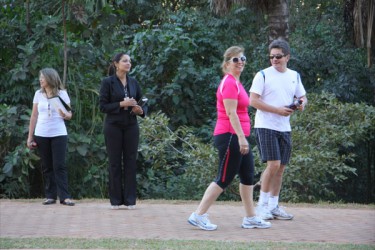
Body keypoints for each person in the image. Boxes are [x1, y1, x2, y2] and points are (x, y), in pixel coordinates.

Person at [187, 46, 271, 231]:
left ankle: (250, 217)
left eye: (242, 58)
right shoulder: (229, 83)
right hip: (230, 136)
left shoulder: (237, 82)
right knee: (224, 178)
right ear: (227, 64)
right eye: (235, 59)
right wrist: (241, 138)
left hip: (240, 136)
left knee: (248, 176)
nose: (240, 61)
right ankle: (198, 215)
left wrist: (244, 137)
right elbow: (231, 113)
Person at [249, 39, 307, 220]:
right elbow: (253, 101)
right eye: (272, 56)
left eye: (278, 56)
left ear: (287, 57)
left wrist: (300, 104)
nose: (274, 59)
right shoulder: (262, 75)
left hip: (284, 127)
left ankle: (273, 206)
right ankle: (261, 206)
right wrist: (278, 110)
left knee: (280, 168)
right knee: (272, 165)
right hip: (265, 126)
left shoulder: (294, 75)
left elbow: (303, 97)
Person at [99, 52, 147, 210]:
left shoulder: (134, 82)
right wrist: (121, 104)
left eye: (130, 61)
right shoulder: (108, 82)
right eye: (125, 61)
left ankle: (130, 200)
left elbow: (142, 102)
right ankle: (115, 200)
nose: (128, 63)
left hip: (131, 125)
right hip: (113, 126)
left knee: (131, 161)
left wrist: (140, 110)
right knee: (114, 162)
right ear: (116, 64)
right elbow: (103, 106)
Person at [27, 68, 75, 206]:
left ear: (50, 78)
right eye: (40, 77)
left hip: (59, 133)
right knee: (47, 166)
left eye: (43, 77)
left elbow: (69, 114)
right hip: (41, 133)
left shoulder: (62, 94)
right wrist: (30, 137)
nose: (40, 80)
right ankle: (50, 196)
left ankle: (65, 197)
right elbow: (34, 115)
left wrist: (65, 115)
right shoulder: (38, 94)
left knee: (59, 165)